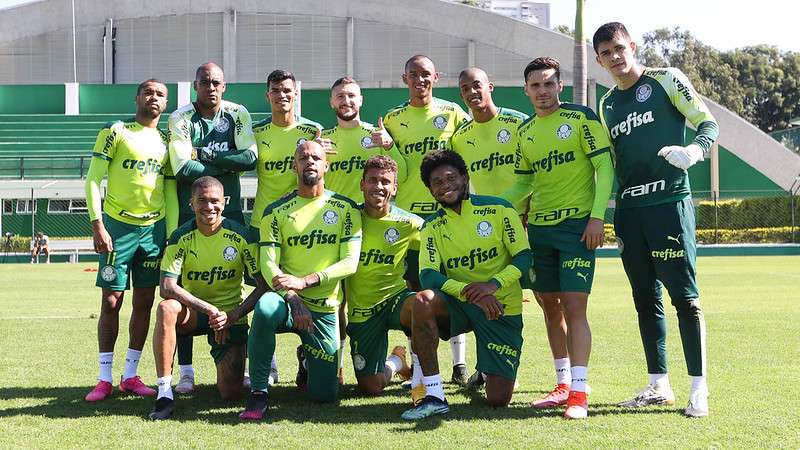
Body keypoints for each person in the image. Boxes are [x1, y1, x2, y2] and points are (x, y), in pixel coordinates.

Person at [592, 22, 719, 417]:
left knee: (685, 299)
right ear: (598, 60)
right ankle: (658, 385)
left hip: (670, 203)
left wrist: (694, 152)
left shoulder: (666, 79)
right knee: (645, 300)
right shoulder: (606, 104)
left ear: (632, 46)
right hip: (630, 212)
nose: (614, 57)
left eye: (618, 48)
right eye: (606, 53)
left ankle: (699, 388)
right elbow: (610, 163)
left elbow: (708, 123)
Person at [502, 57, 614, 419]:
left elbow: (605, 167)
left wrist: (597, 217)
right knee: (550, 306)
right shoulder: (525, 132)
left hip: (577, 228)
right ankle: (563, 383)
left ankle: (579, 393)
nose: (542, 91)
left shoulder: (581, 118)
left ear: (560, 86)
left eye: (549, 84)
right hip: (539, 231)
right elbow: (524, 183)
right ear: (526, 90)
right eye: (535, 85)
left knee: (575, 307)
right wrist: (493, 206)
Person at [401, 150, 531, 420]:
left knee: (498, 399)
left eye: (451, 178)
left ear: (465, 177)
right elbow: (428, 275)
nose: (445, 185)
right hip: (462, 303)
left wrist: (493, 285)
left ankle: (485, 369)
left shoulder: (500, 209)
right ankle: (434, 395)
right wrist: (470, 293)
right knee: (422, 300)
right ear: (430, 190)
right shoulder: (432, 226)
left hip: (500, 306)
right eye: (437, 182)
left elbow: (524, 257)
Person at [240, 140, 362, 420]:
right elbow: (268, 264)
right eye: (303, 158)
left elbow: (349, 262)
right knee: (265, 307)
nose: (310, 162)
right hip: (287, 301)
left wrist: (305, 281)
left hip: (323, 307)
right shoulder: (276, 211)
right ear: (294, 166)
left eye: (316, 158)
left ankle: (307, 360)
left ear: (326, 166)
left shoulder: (345, 208)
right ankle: (259, 392)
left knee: (324, 395)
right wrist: (293, 297)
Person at [379, 55, 472, 385]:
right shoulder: (393, 119)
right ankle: (418, 369)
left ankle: (460, 364)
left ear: (436, 77)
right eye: (414, 75)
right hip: (410, 224)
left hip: (449, 218)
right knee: (416, 294)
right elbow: (395, 170)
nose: (420, 80)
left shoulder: (453, 112)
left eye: (426, 75)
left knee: (456, 286)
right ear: (404, 78)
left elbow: (468, 157)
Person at [168, 62, 258, 394]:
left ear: (224, 86)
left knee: (248, 283)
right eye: (205, 82)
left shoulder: (237, 113)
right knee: (185, 286)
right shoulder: (181, 118)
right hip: (192, 213)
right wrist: (226, 162)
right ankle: (186, 372)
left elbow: (250, 158)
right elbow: (182, 168)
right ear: (196, 85)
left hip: (230, 210)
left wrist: (204, 154)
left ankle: (252, 362)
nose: (211, 87)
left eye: (216, 82)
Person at [83, 79, 175, 402]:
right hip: (117, 228)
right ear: (137, 98)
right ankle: (104, 378)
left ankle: (131, 375)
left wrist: (170, 235)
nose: (154, 97)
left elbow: (170, 191)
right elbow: (93, 179)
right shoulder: (116, 131)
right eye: (148, 92)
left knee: (145, 302)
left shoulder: (167, 141)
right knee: (111, 301)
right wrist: (98, 224)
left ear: (166, 103)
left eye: (160, 94)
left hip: (153, 231)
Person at [148, 176, 267, 420]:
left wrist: (233, 315)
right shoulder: (180, 236)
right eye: (201, 200)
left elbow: (263, 285)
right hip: (195, 314)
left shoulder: (241, 236)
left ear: (224, 202)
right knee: (167, 308)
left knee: (230, 392)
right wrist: (210, 310)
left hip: (230, 317)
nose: (209, 206)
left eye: (214, 201)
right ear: (191, 203)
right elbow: (167, 287)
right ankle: (164, 393)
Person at [321, 76, 408, 384]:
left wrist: (389, 146)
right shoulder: (323, 141)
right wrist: (312, 153)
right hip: (331, 231)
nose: (346, 101)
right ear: (331, 102)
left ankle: (404, 361)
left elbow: (401, 175)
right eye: (340, 96)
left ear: (361, 100)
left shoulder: (376, 135)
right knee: (335, 301)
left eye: (351, 96)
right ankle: (336, 366)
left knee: (365, 296)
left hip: (370, 230)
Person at [250, 68, 328, 386]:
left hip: (303, 226)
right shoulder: (256, 132)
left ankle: (308, 354)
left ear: (296, 94)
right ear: (267, 95)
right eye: (276, 90)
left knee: (308, 290)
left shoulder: (312, 130)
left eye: (287, 90)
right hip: (262, 224)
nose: (282, 95)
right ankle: (267, 365)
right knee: (266, 292)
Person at [346, 155, 429, 396]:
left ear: (395, 187)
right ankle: (396, 362)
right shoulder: (347, 218)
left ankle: (423, 380)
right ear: (362, 184)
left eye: (385, 181)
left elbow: (430, 255)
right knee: (370, 387)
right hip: (362, 312)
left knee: (422, 305)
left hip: (395, 301)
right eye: (372, 180)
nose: (379, 186)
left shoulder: (410, 224)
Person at [451, 67, 529, 211]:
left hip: (524, 216)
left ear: (490, 87)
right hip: (487, 216)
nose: (472, 92)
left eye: (477, 85)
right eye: (465, 89)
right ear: (462, 96)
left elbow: (537, 173)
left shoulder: (520, 122)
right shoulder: (458, 139)